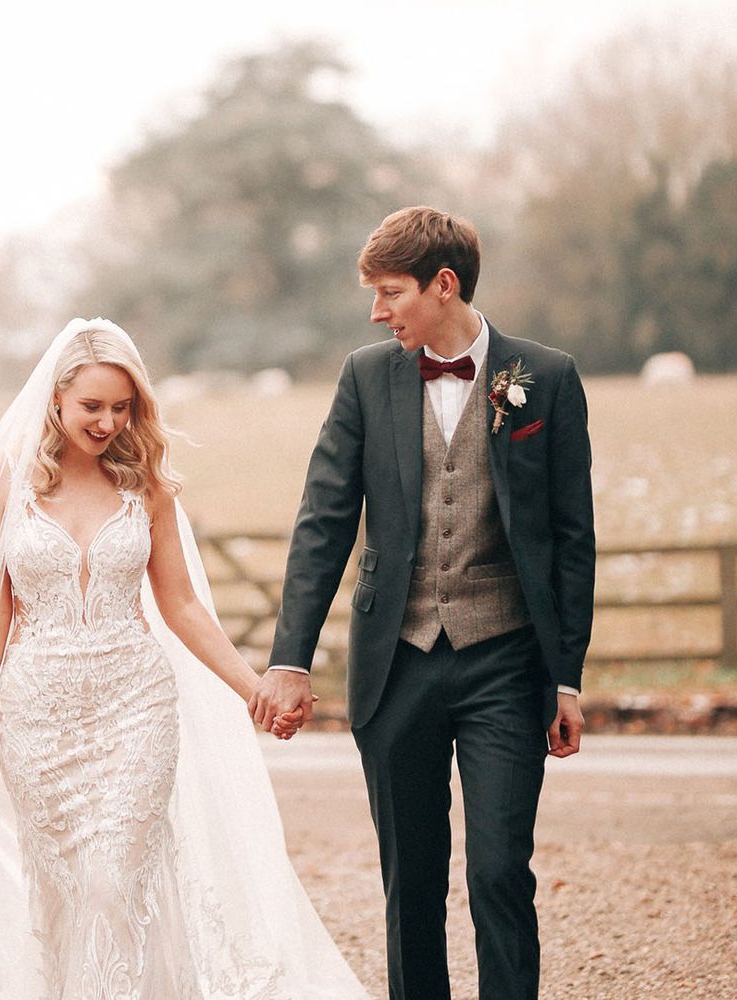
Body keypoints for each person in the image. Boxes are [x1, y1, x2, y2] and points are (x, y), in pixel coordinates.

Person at [0, 318, 370, 1000]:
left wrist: (256, 689)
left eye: (122, 407)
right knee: (63, 893)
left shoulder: (145, 484)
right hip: (37, 716)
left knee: (112, 882)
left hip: (134, 708)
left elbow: (183, 606)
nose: (107, 422)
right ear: (55, 400)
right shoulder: (2, 477)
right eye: (92, 407)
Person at [249, 207, 595, 1000]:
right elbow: (323, 521)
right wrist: (290, 658)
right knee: (412, 884)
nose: (377, 312)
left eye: (389, 293)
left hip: (505, 664)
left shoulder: (546, 376)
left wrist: (566, 678)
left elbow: (574, 539)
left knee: (501, 869)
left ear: (444, 285)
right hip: (395, 664)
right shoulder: (365, 378)